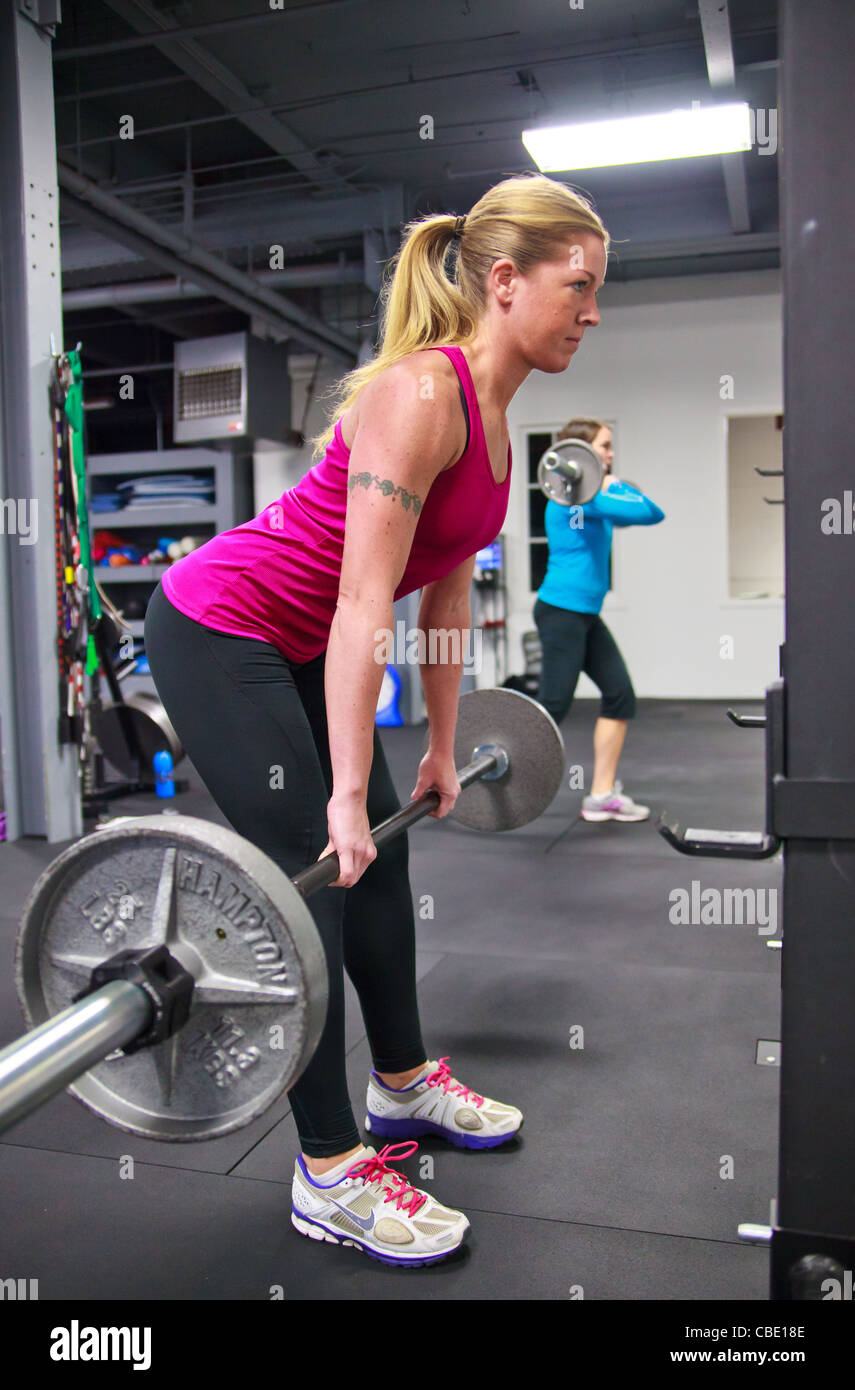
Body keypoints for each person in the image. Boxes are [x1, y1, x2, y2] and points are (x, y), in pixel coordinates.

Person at [144, 172, 610, 1267]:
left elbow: (443, 593)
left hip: (301, 642)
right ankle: (327, 1166)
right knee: (315, 890)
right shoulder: (417, 394)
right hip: (222, 627)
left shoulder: (495, 421)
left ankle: (400, 1087)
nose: (593, 312)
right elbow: (364, 607)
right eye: (579, 287)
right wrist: (346, 796)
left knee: (383, 869)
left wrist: (442, 745)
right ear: (506, 280)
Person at [533, 418, 665, 822]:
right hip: (562, 612)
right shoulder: (577, 501)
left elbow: (638, 512)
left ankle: (601, 795)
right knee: (553, 706)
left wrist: (610, 484)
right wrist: (612, 484)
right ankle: (475, 775)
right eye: (604, 447)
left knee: (619, 694)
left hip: (585, 615)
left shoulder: (591, 499)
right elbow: (651, 513)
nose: (610, 454)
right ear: (583, 454)